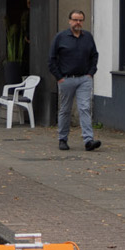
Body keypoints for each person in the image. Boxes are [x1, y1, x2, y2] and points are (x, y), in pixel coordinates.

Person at [47, 10, 101, 151]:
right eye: (75, 20)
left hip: (84, 79)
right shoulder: (60, 37)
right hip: (66, 80)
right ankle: (62, 139)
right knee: (65, 110)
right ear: (69, 20)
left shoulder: (88, 37)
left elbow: (94, 56)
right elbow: (51, 59)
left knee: (84, 108)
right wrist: (59, 78)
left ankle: (89, 141)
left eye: (81, 20)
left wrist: (91, 73)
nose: (78, 23)